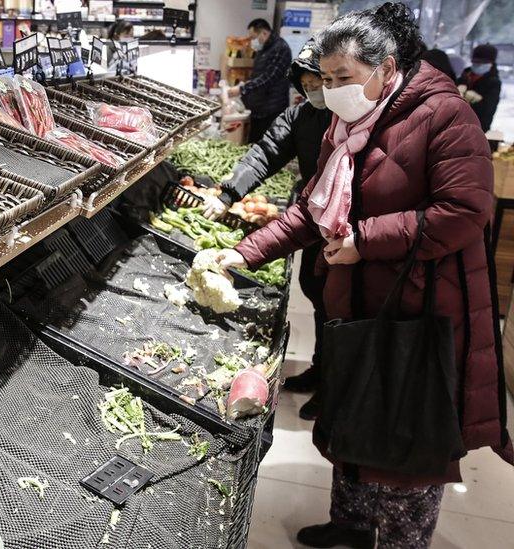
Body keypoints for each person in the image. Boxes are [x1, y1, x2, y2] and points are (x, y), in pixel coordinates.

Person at [217, 3, 513, 548]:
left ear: (386, 67)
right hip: (355, 308)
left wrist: (364, 241)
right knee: (353, 420)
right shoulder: (347, 122)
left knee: (407, 439)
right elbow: (312, 209)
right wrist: (244, 252)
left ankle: (399, 540)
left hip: (421, 311)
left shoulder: (447, 117)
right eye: (325, 79)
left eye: (344, 78)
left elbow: (465, 212)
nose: (332, 90)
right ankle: (350, 525)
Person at [203, 38, 332, 419]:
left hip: (346, 229)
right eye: (306, 84)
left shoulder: (351, 121)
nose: (313, 90)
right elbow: (266, 153)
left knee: (339, 308)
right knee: (317, 293)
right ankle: (320, 369)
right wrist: (228, 193)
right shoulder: (303, 117)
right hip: (313, 222)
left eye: (319, 83)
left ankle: (334, 388)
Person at [227, 18, 292, 143]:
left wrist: (242, 89)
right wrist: (245, 86)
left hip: (272, 109)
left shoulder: (280, 48)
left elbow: (268, 78)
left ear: (264, 33)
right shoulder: (264, 48)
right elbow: (257, 75)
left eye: (253, 37)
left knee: (266, 147)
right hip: (259, 107)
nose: (252, 41)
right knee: (254, 143)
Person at [457, 44, 502, 132]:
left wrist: (468, 100)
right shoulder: (464, 76)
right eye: (476, 62)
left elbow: (488, 109)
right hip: (455, 124)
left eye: (483, 63)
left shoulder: (494, 83)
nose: (478, 65)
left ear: (491, 63)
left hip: (478, 127)